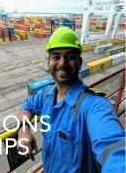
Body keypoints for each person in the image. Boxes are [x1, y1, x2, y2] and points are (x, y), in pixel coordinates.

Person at [17, 27, 125, 172]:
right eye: (56, 56)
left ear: (79, 62)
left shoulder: (93, 105)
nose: (62, 63)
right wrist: (23, 130)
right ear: (48, 62)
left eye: (70, 56)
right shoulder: (47, 94)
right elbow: (26, 107)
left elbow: (113, 148)